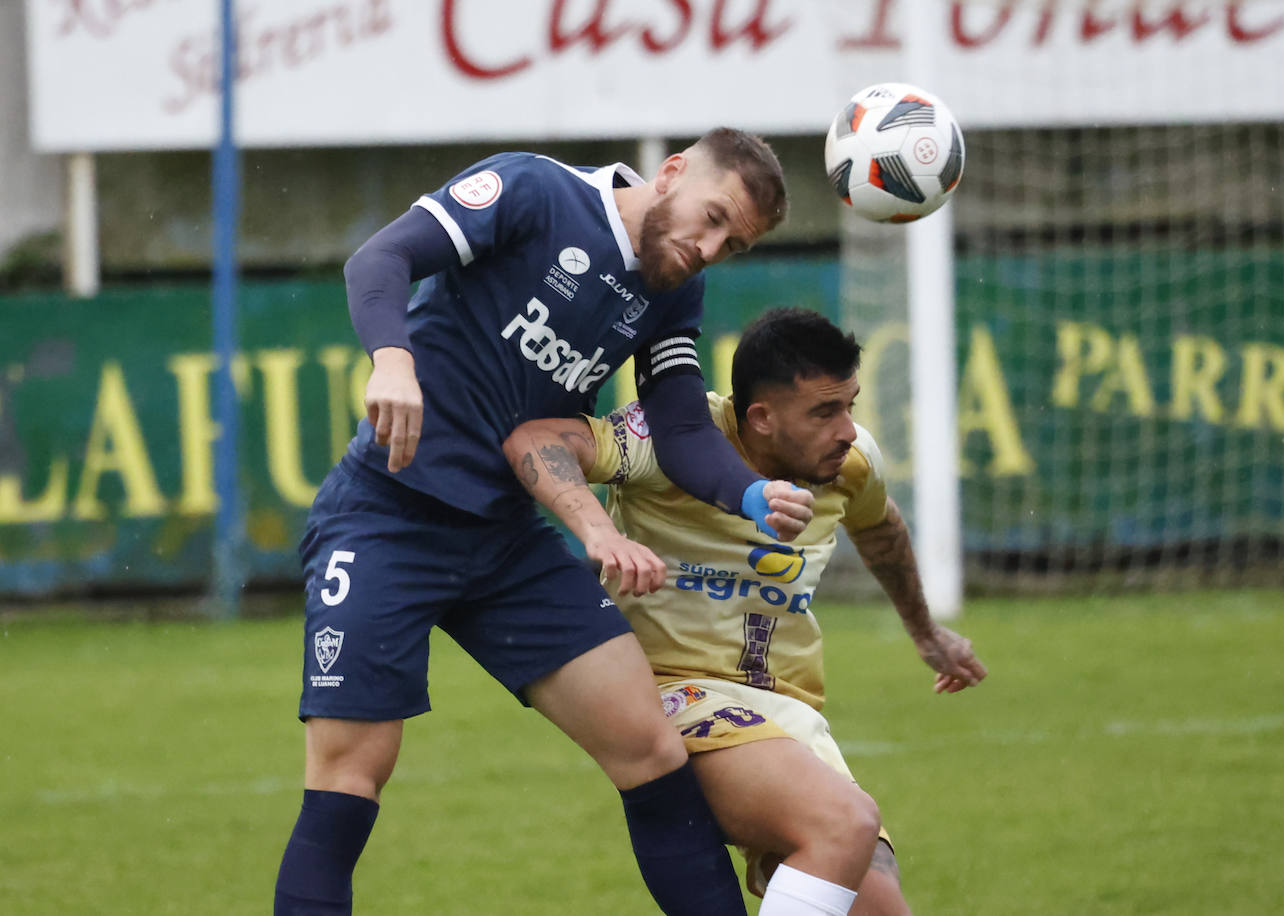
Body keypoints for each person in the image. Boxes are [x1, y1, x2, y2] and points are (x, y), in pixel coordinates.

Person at [273, 130, 819, 916]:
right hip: (386, 517)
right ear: (671, 173)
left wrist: (751, 496)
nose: (709, 247)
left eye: (733, 243)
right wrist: (391, 358)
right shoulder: (535, 191)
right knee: (349, 779)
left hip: (504, 541)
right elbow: (378, 260)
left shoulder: (673, 290)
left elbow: (682, 428)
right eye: (711, 218)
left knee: (652, 749)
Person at [502, 307, 988, 915]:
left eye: (850, 406)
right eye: (824, 412)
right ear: (759, 417)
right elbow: (535, 440)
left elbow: (882, 531)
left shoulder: (851, 464)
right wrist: (600, 534)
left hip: (787, 711)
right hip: (669, 693)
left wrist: (925, 633)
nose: (846, 429)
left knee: (879, 900)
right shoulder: (671, 439)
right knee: (843, 823)